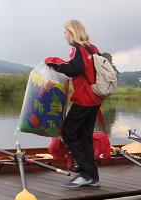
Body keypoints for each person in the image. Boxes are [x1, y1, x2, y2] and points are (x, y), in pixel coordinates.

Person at [45, 20, 104, 187]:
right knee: (84, 136)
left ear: (72, 32)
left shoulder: (79, 48)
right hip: (95, 98)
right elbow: (83, 71)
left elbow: (74, 69)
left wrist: (52, 61)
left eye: (65, 33)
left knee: (68, 131)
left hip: (85, 98)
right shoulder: (93, 48)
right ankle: (93, 176)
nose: (65, 37)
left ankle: (85, 173)